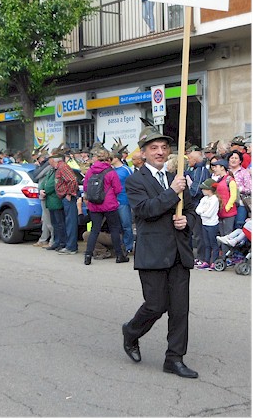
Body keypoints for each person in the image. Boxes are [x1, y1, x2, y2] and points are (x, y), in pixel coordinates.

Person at [123, 125, 198, 379]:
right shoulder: (135, 180)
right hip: (153, 253)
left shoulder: (176, 177)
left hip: (178, 252)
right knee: (156, 305)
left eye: (164, 147)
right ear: (143, 153)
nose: (160, 152)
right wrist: (173, 191)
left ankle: (174, 358)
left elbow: (191, 211)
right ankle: (131, 331)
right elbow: (146, 210)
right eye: (153, 148)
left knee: (180, 309)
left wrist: (186, 221)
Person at [83, 146, 129, 265]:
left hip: (94, 205)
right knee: (114, 229)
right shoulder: (111, 172)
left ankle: (88, 255)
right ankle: (119, 255)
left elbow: (86, 188)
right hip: (109, 204)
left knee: (94, 230)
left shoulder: (90, 171)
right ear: (108, 159)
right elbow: (118, 189)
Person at [50, 148, 79, 254]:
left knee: (70, 222)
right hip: (64, 198)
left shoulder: (63, 167)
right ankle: (69, 245)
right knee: (68, 222)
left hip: (68, 199)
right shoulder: (60, 168)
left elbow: (72, 180)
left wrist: (69, 193)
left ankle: (71, 247)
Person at [185, 149, 210, 265]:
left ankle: (201, 257)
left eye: (189, 158)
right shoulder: (193, 169)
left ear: (194, 160)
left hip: (198, 205)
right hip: (194, 205)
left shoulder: (200, 170)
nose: (188, 160)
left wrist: (186, 194)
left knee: (199, 233)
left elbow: (196, 191)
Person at [211, 158, 237, 253]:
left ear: (222, 168)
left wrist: (227, 207)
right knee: (222, 235)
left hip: (228, 212)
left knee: (227, 234)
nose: (214, 168)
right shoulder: (220, 179)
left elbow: (234, 196)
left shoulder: (230, 180)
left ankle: (228, 255)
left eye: (216, 166)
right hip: (221, 211)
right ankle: (224, 255)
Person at [111, 147, 134, 253]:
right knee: (117, 225)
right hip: (113, 201)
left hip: (124, 200)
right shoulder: (111, 170)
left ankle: (128, 246)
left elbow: (133, 184)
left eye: (111, 157)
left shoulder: (126, 169)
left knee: (126, 225)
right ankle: (120, 245)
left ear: (116, 158)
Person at [195, 178, 220, 270]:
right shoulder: (204, 199)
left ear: (209, 190)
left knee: (213, 243)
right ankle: (206, 261)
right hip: (204, 223)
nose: (202, 190)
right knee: (206, 243)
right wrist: (203, 212)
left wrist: (203, 212)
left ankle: (214, 261)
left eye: (204, 189)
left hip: (212, 224)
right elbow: (197, 210)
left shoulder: (215, 200)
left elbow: (209, 214)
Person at [32, 150, 54, 247]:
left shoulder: (47, 165)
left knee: (49, 219)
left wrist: (38, 166)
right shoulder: (45, 165)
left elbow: (36, 175)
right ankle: (43, 239)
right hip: (43, 194)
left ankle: (53, 240)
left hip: (47, 194)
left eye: (38, 158)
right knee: (45, 219)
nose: (38, 160)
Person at [228, 150, 251, 228]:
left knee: (239, 224)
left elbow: (249, 188)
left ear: (240, 161)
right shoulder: (226, 172)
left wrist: (237, 188)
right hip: (227, 202)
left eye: (236, 158)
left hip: (240, 202)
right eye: (232, 158)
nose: (233, 160)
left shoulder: (244, 172)